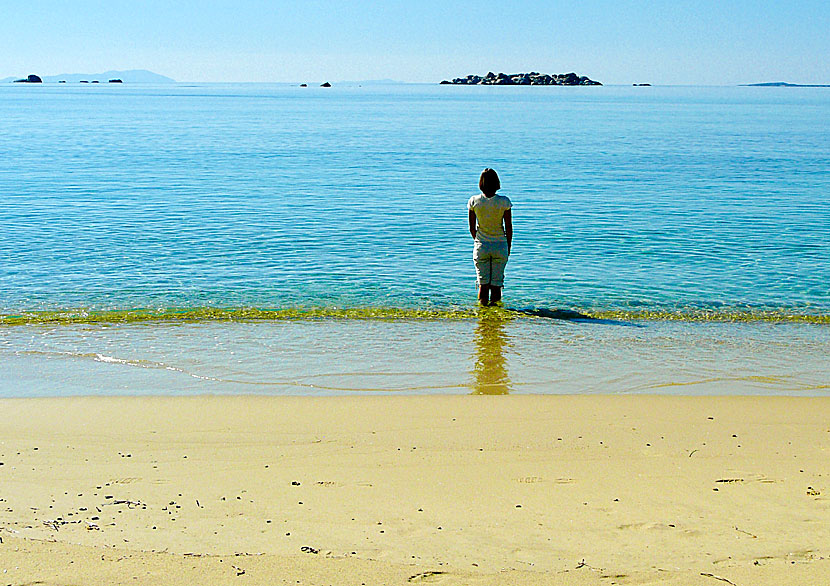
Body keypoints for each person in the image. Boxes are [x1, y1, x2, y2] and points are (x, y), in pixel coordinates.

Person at [468, 168, 512, 306]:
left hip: (482, 245)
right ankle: (495, 318)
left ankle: (483, 317)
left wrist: (478, 240)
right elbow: (509, 228)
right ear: (497, 183)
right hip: (500, 245)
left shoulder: (474, 201)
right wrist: (508, 246)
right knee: (496, 285)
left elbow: (471, 228)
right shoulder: (504, 201)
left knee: (483, 284)